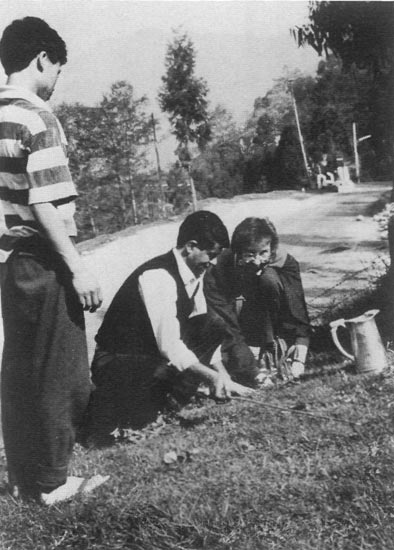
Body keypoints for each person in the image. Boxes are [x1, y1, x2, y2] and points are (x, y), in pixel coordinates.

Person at [0, 17, 108, 504]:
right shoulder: (38, 117)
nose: (56, 81)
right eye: (58, 70)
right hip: (43, 259)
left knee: (22, 369)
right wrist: (78, 267)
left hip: (8, 261)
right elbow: (46, 203)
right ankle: (53, 483)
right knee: (62, 373)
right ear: (43, 58)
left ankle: (25, 480)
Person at [84, 211, 253, 445]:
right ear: (191, 246)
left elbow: (202, 327)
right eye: (211, 255)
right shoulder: (158, 276)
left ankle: (163, 406)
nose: (213, 263)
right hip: (116, 362)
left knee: (214, 325)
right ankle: (119, 414)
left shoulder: (195, 271)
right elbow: (170, 345)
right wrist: (211, 377)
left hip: (149, 357)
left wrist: (223, 377)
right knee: (148, 398)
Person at [204, 217, 310, 381]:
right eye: (250, 254)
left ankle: (276, 344)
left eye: (263, 253)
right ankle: (252, 353)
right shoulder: (219, 269)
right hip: (239, 321)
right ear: (237, 253)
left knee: (268, 278)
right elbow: (225, 320)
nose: (257, 260)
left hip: (271, 319)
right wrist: (250, 368)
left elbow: (298, 310)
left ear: (271, 249)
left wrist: (299, 359)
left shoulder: (282, 259)